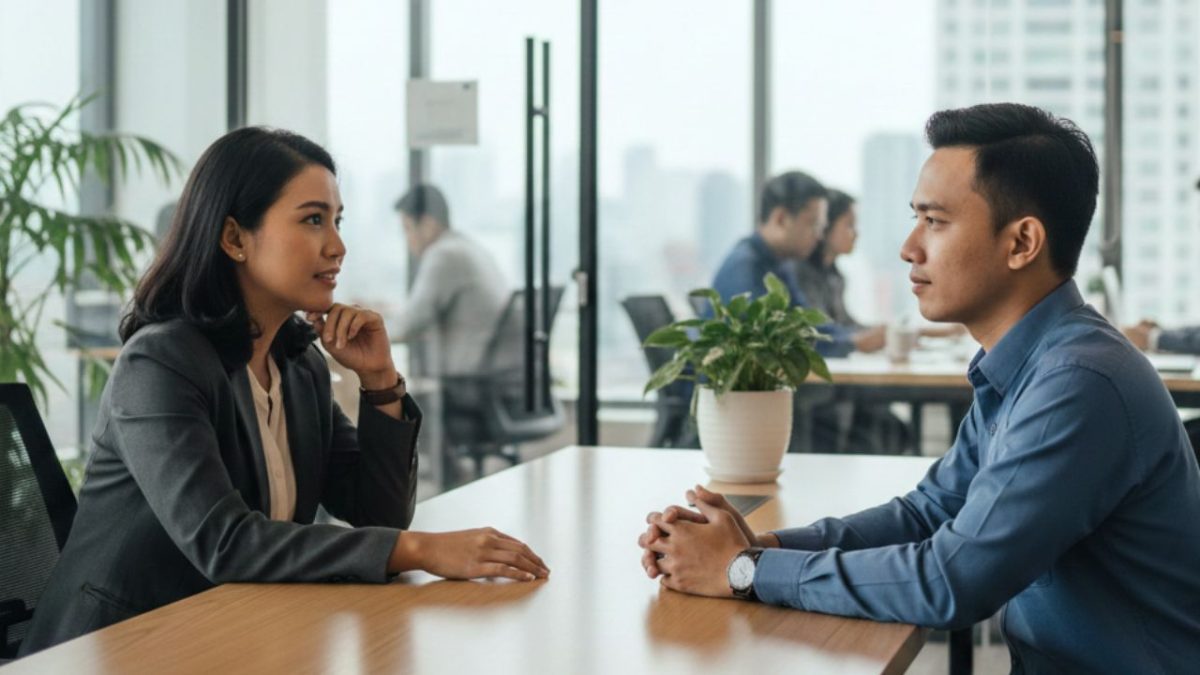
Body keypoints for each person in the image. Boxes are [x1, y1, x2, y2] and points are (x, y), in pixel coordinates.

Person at [637, 103, 1200, 672]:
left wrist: (742, 571)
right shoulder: (1029, 361)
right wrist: (761, 548)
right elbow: (929, 513)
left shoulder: (1078, 383)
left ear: (1022, 242)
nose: (909, 247)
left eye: (935, 221)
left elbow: (952, 580)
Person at [20, 128, 547, 655]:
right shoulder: (161, 363)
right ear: (234, 238)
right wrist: (419, 550)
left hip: (236, 632)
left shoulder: (298, 366)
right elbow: (224, 542)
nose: (337, 246)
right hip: (119, 648)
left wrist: (380, 382)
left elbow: (378, 514)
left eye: (337, 222)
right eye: (313, 219)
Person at [709, 171, 879, 357]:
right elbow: (783, 344)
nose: (819, 236)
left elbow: (808, 327)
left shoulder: (779, 266)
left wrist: (852, 340)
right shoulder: (745, 269)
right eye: (813, 225)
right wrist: (853, 343)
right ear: (781, 219)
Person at [391, 183, 508, 377]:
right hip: (491, 372)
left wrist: (362, 328)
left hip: (468, 377)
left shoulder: (444, 255)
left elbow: (410, 324)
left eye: (408, 229)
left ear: (428, 225)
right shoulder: (466, 247)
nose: (407, 239)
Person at [794, 188, 884, 352]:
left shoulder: (834, 275)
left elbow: (845, 324)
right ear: (825, 226)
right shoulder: (800, 273)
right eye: (849, 225)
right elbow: (817, 332)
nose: (856, 234)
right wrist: (864, 339)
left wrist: (881, 333)